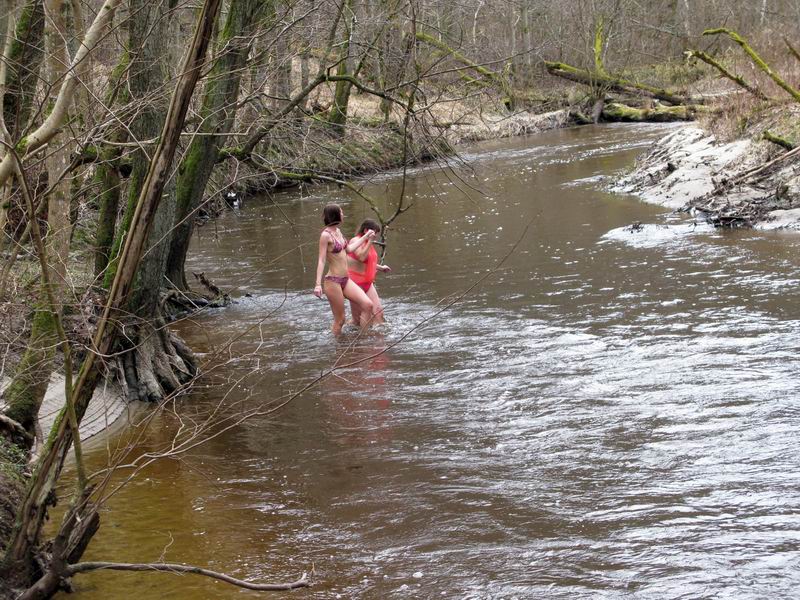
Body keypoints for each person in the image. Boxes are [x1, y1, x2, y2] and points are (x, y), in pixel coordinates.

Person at [313, 203, 376, 335]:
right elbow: (321, 260)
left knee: (368, 305)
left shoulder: (338, 232)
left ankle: (364, 341)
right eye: (341, 213)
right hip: (333, 281)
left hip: (346, 280)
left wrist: (366, 237)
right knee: (340, 320)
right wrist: (318, 285)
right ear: (335, 215)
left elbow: (349, 250)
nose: (343, 215)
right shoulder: (325, 235)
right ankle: (338, 349)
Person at [347, 219, 390, 325]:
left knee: (378, 312)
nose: (375, 236)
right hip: (355, 284)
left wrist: (381, 267)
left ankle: (378, 338)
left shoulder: (368, 243)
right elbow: (361, 257)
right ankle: (353, 338)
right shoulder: (355, 241)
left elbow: (368, 262)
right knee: (357, 319)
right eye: (374, 232)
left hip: (367, 283)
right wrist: (369, 241)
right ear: (366, 230)